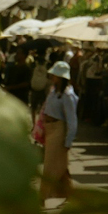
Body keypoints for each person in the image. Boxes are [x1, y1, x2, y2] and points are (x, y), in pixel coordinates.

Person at [40, 61, 78, 202]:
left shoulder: (67, 95)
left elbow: (72, 120)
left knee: (50, 166)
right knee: (61, 167)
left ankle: (41, 198)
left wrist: (68, 141)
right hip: (50, 129)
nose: (52, 77)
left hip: (58, 130)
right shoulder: (53, 91)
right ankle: (70, 195)